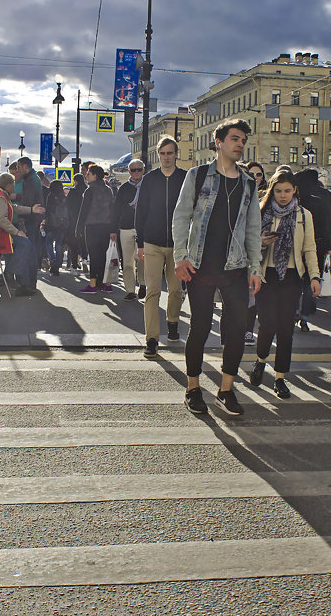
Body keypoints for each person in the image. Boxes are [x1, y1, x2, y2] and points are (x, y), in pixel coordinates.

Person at [172, 118, 263, 417]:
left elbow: (253, 228)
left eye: (243, 140)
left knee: (236, 331)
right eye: (235, 139)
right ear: (219, 142)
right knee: (198, 328)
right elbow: (181, 217)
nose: (240, 145)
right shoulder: (198, 176)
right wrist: (180, 257)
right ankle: (193, 387)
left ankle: (226, 390)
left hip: (235, 267)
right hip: (199, 266)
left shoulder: (248, 183)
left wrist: (255, 268)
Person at [248, 168, 320, 399]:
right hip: (266, 275)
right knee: (267, 324)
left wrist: (315, 276)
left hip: (291, 277)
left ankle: (280, 378)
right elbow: (248, 244)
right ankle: (260, 361)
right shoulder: (261, 212)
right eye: (278, 191)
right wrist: (261, 242)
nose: (283, 195)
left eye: (287, 191)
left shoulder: (303, 215)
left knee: (286, 330)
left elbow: (309, 248)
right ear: (271, 190)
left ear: (294, 191)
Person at [135, 135, 187, 357]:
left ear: (176, 154)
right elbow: (141, 211)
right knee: (152, 291)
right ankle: (152, 340)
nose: (166, 157)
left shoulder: (186, 178)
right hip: (152, 243)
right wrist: (139, 244)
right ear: (158, 156)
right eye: (162, 153)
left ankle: (173, 322)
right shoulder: (150, 179)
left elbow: (192, 210)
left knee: (176, 291)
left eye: (170, 153)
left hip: (178, 245)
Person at [0, 172, 43, 296]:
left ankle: (22, 283)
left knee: (24, 248)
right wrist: (17, 232)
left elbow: (12, 207)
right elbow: (2, 220)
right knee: (25, 245)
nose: (14, 187)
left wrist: (31, 210)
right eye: (13, 184)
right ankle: (10, 274)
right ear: (9, 185)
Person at [291, 167, 331, 330]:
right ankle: (305, 313)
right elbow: (329, 220)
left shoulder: (299, 193)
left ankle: (295, 310)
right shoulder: (325, 195)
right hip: (320, 242)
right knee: (312, 277)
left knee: (296, 277)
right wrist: (330, 242)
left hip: (300, 240)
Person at [75, 163, 116, 293]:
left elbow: (84, 210)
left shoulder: (90, 190)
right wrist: (113, 228)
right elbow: (112, 210)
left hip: (92, 226)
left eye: (88, 173)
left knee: (93, 255)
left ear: (94, 175)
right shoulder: (108, 189)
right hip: (106, 226)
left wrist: (78, 228)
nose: (86, 176)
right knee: (103, 255)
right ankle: (104, 283)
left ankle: (93, 284)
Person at [114, 159, 145, 300]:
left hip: (144, 228)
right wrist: (114, 229)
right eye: (133, 170)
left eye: (139, 169)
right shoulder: (124, 188)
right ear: (129, 172)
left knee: (142, 259)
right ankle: (130, 290)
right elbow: (116, 209)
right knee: (127, 261)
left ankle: (143, 284)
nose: (136, 172)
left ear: (143, 170)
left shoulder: (148, 186)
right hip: (126, 227)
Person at [11, 157, 45, 270]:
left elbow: (27, 201)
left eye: (19, 167)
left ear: (26, 167)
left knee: (28, 249)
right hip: (33, 219)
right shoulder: (33, 178)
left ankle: (28, 281)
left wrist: (22, 218)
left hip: (29, 219)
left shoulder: (30, 180)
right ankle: (29, 280)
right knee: (31, 248)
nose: (17, 170)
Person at [43, 180, 68, 276]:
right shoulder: (64, 198)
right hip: (61, 225)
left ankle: (52, 259)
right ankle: (57, 265)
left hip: (51, 224)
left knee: (48, 243)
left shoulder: (50, 197)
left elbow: (48, 210)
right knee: (58, 245)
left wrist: (44, 221)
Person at [64, 172, 87, 271]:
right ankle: (85, 260)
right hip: (85, 221)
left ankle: (74, 265)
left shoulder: (73, 191)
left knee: (73, 244)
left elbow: (67, 205)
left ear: (76, 181)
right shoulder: (87, 190)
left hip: (73, 221)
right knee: (84, 242)